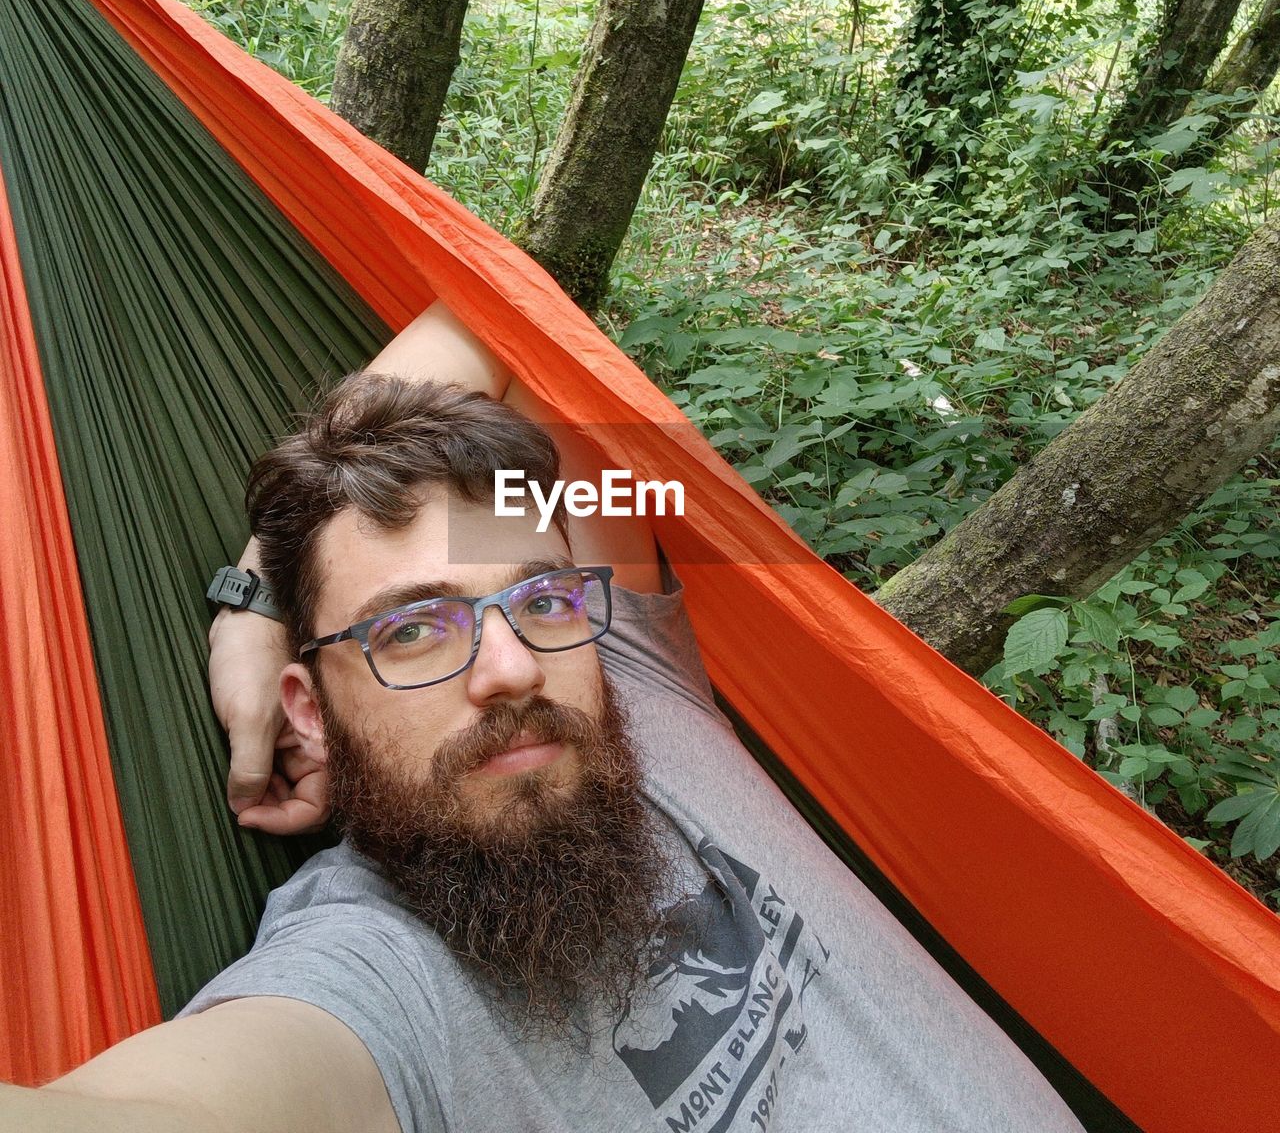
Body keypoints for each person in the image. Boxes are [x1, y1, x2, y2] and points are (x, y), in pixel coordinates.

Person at [3, 305, 1086, 1132]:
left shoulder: (627, 668)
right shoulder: (371, 979)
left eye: (536, 595)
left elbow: (496, 320)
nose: (511, 663)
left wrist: (246, 607)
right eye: (410, 630)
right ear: (310, 702)